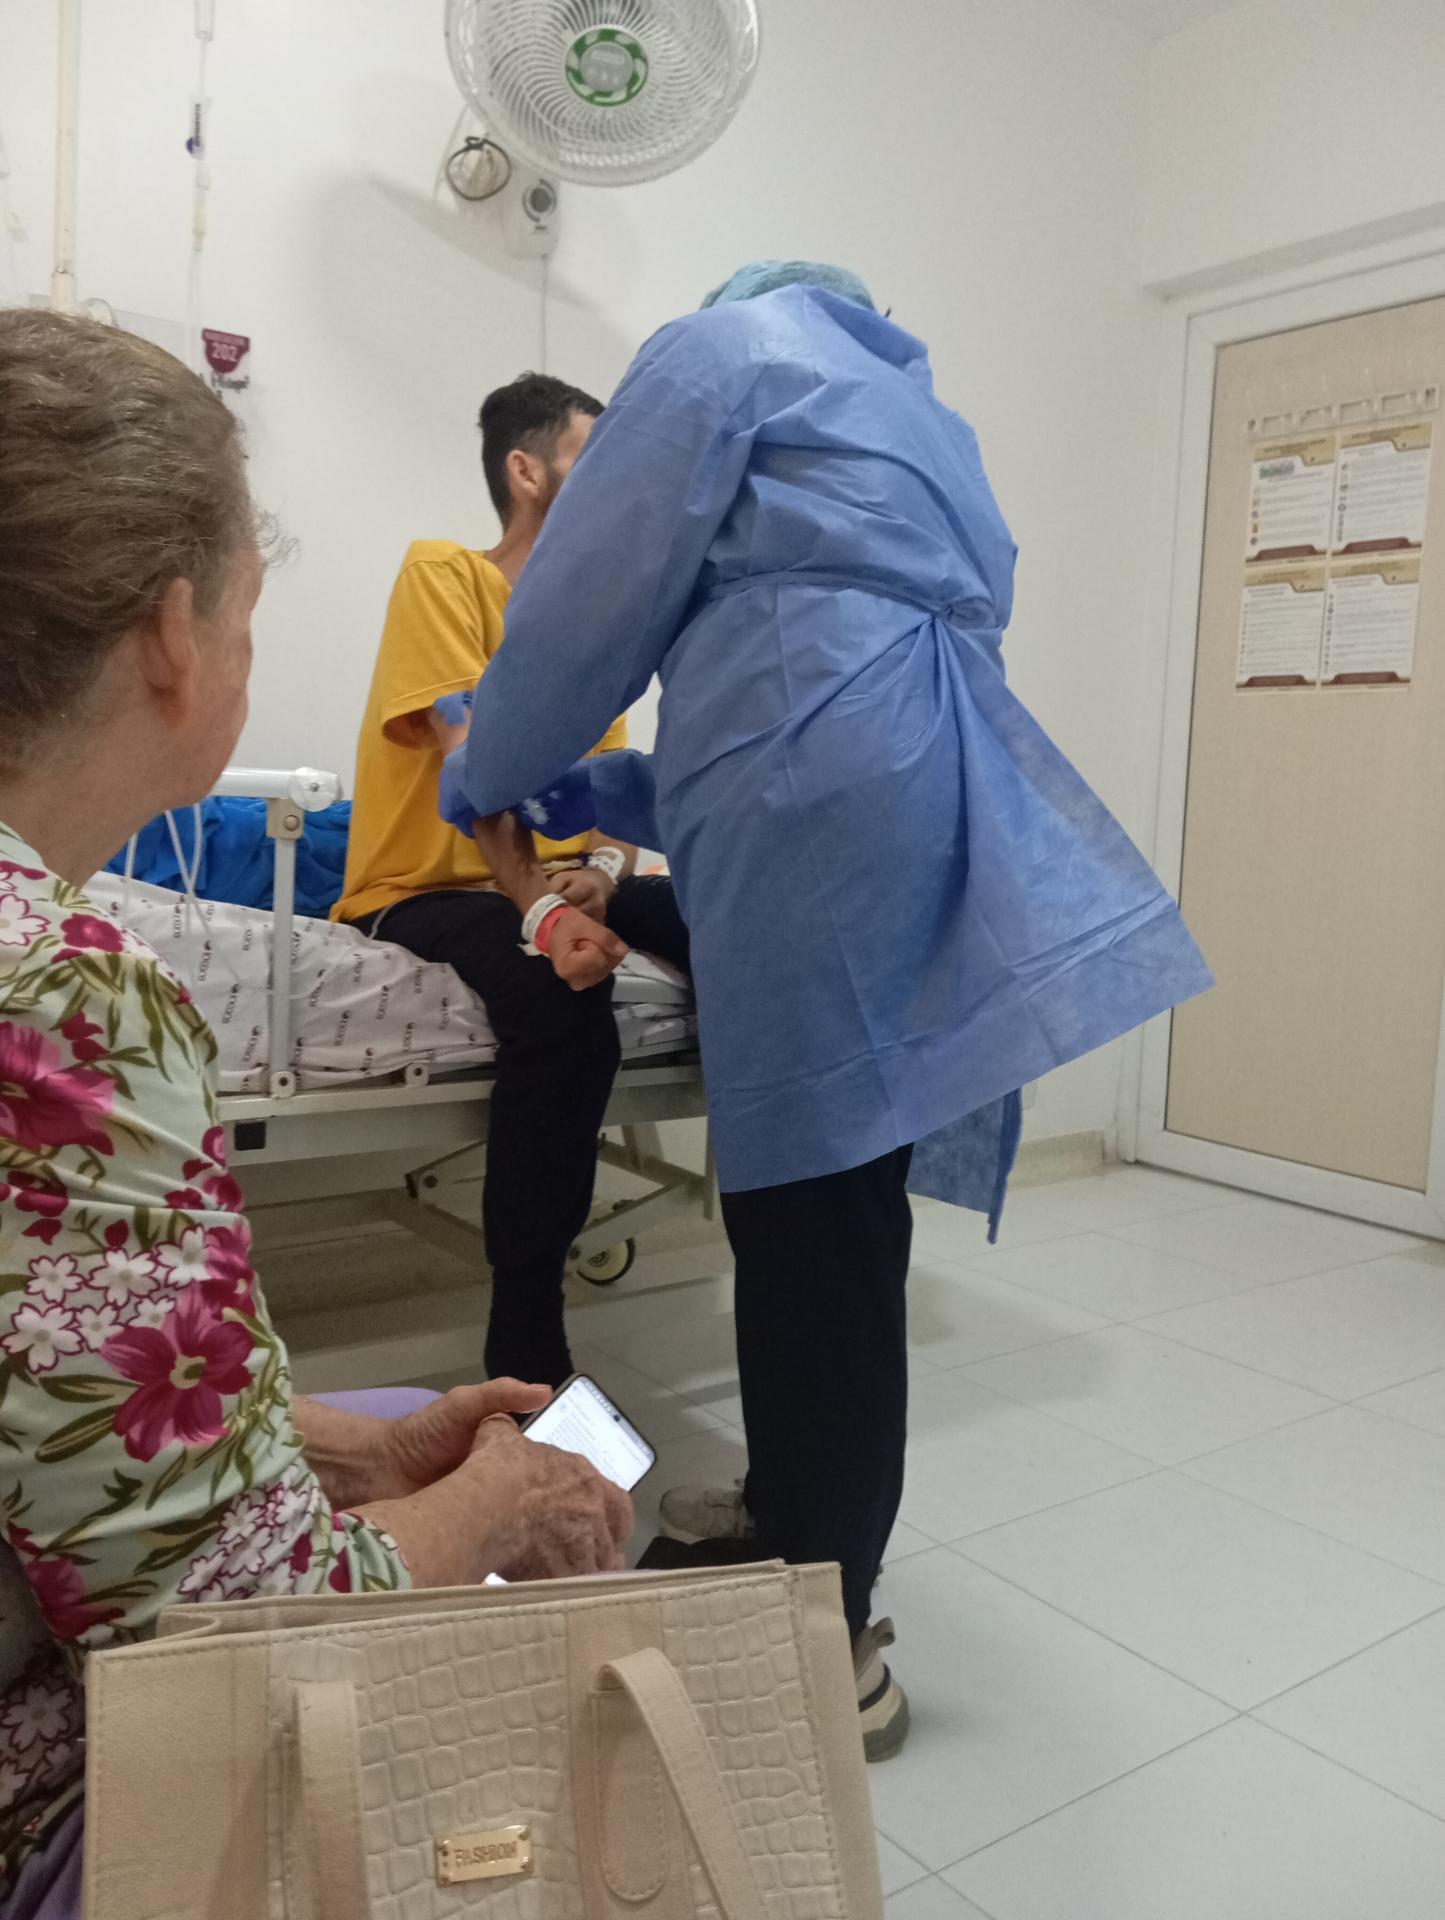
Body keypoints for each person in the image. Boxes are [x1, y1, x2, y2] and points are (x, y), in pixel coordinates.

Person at [438, 260, 1213, 1760]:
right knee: (845, 1197)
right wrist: (613, 786)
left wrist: (499, 757)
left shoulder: (722, 349)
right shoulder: (925, 422)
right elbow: (808, 665)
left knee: (805, 1210)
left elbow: (594, 598)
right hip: (907, 776)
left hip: (809, 787)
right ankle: (799, 1507)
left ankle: (822, 1624)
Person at [0, 311, 632, 1917]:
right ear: (174, 633)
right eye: (251, 612)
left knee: (411, 1406)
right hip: (52, 1788)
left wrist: (374, 1450)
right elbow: (225, 1629)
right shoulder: (66, 1005)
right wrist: (495, 1499)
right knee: (551, 1559)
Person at [334, 373, 690, 1389]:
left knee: (728, 917)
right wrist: (536, 908)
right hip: (425, 889)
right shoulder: (443, 573)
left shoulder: (593, 634)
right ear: (525, 472)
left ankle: (790, 1233)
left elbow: (607, 806)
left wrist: (600, 879)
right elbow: (471, 764)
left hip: (546, 878)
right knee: (560, 1001)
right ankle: (526, 1336)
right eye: (594, 456)